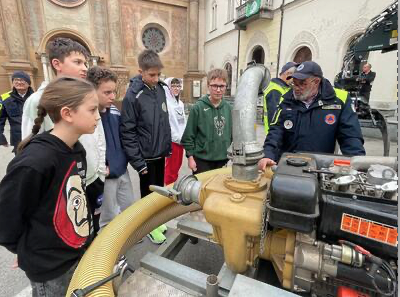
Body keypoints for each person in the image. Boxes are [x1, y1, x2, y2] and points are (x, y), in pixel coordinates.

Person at [0, 77, 99, 297]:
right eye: (92, 110)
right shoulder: (36, 161)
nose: (98, 116)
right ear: (67, 113)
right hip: (50, 271)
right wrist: (26, 251)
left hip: (75, 254)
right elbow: (6, 218)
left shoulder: (76, 149)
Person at [21, 37, 106, 235]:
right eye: (77, 62)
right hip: (64, 187)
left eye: (85, 62)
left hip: (92, 177)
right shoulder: (38, 101)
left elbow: (98, 137)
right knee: (69, 233)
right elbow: (30, 146)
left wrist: (100, 170)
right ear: (56, 64)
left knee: (90, 229)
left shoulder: (87, 96)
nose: (84, 68)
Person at [258, 61, 366, 170]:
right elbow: (276, 131)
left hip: (320, 168)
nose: (296, 87)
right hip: (288, 165)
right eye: (294, 83)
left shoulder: (339, 100)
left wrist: (357, 164)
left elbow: (351, 136)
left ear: (316, 82)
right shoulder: (286, 99)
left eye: (302, 83)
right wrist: (268, 155)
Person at [121, 49, 171, 244]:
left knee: (159, 191)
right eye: (152, 75)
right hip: (145, 158)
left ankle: (156, 222)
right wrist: (138, 162)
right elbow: (128, 131)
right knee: (147, 194)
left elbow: (163, 120)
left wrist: (166, 147)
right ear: (140, 71)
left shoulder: (159, 89)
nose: (156, 78)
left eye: (158, 74)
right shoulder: (133, 95)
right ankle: (147, 227)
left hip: (160, 153)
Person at [87, 66, 136, 229]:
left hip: (122, 170)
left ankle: (125, 237)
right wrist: (101, 168)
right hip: (105, 176)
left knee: (129, 207)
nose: (113, 97)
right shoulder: (88, 116)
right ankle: (110, 252)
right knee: (108, 217)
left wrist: (124, 160)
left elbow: (122, 138)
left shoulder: (114, 110)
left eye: (114, 92)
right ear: (93, 91)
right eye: (107, 93)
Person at [181, 68, 232, 174]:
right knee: (202, 190)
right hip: (202, 160)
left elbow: (233, 135)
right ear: (208, 85)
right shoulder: (198, 108)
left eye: (222, 86)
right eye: (214, 86)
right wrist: (190, 157)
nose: (218, 90)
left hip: (223, 160)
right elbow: (188, 136)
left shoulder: (229, 108)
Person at [0, 71, 34, 153]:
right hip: (18, 139)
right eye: (16, 80)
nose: (19, 82)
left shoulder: (36, 97)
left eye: (22, 80)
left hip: (36, 137)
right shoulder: (4, 98)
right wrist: (1, 138)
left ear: (28, 83)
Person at [263, 62, 297, 135]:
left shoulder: (285, 88)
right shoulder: (275, 90)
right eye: (294, 77)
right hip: (277, 137)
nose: (295, 80)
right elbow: (274, 117)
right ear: (288, 74)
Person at [163, 77, 186, 185]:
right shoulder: (166, 103)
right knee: (170, 169)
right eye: (173, 86)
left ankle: (173, 187)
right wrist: (176, 138)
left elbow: (183, 122)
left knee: (177, 166)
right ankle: (168, 191)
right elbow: (167, 124)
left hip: (181, 141)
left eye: (178, 86)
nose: (176, 88)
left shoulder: (180, 103)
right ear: (168, 87)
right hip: (172, 141)